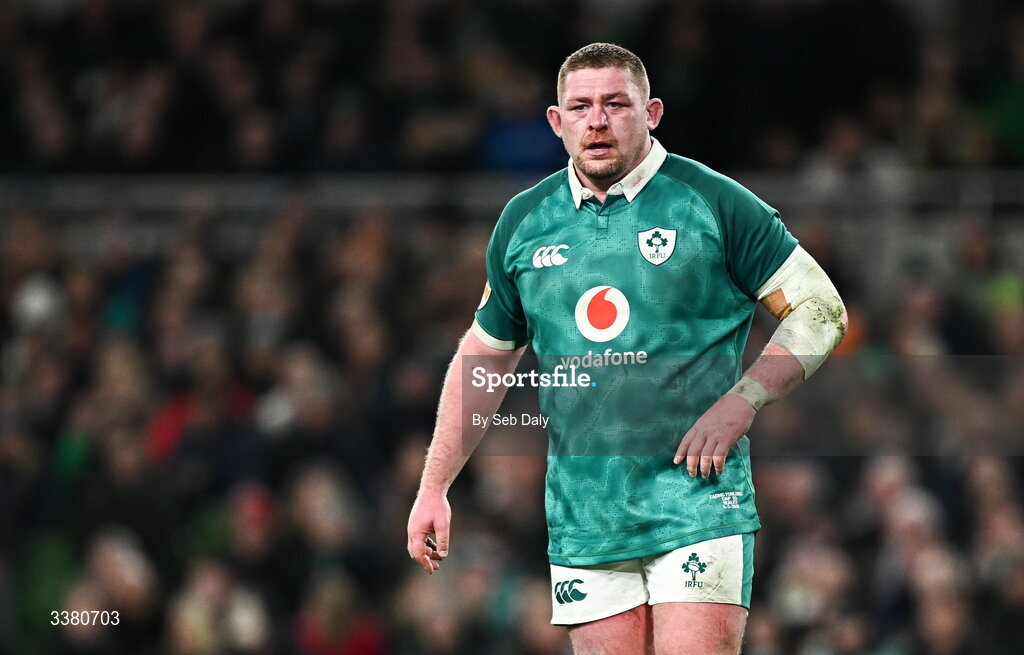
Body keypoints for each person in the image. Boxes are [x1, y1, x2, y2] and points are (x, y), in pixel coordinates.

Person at [406, 43, 847, 655]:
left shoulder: (714, 202)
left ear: (653, 112)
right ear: (556, 123)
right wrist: (435, 487)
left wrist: (744, 399)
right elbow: (484, 357)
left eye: (616, 103)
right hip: (586, 518)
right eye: (581, 107)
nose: (598, 120)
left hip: (698, 503)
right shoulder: (524, 222)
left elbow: (821, 311)